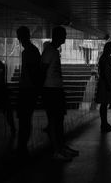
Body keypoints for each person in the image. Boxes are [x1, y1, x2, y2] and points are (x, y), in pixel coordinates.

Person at [41, 26, 78, 161]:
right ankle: (57, 150)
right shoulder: (49, 51)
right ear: (58, 36)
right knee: (54, 120)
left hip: (55, 89)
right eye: (64, 35)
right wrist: (43, 90)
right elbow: (42, 70)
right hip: (51, 90)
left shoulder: (54, 51)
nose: (66, 37)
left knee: (59, 119)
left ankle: (61, 147)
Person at [16, 26, 41, 158]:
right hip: (29, 89)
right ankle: (22, 145)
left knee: (24, 119)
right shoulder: (32, 50)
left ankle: (22, 146)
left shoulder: (29, 52)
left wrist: (33, 89)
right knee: (25, 118)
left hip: (27, 90)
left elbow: (32, 73)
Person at [96, 42, 111, 132]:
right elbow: (104, 73)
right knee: (104, 104)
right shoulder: (105, 58)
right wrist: (108, 85)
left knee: (104, 104)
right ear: (108, 48)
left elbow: (105, 70)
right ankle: (104, 124)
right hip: (105, 83)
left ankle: (104, 123)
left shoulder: (105, 57)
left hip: (106, 83)